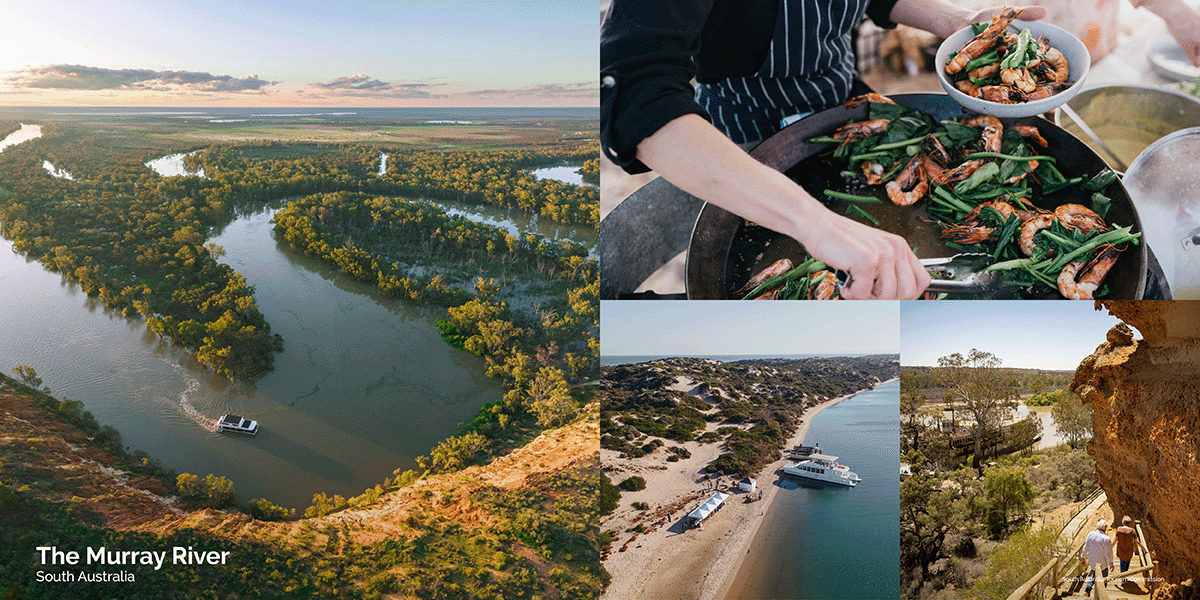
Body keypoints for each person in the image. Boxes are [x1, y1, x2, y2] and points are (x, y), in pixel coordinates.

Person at [601, 0, 1049, 299]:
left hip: (842, 99)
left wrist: (955, 24)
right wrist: (811, 222)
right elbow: (638, 93)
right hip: (741, 130)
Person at [1081, 519, 1114, 594]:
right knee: (1103, 579)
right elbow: (1108, 553)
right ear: (1105, 527)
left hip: (1092, 561)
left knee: (1095, 573)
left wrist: (1083, 557)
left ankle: (1088, 588)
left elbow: (1086, 547)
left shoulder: (1090, 534)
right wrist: (1111, 563)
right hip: (1103, 563)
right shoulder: (1106, 539)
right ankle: (1102, 593)